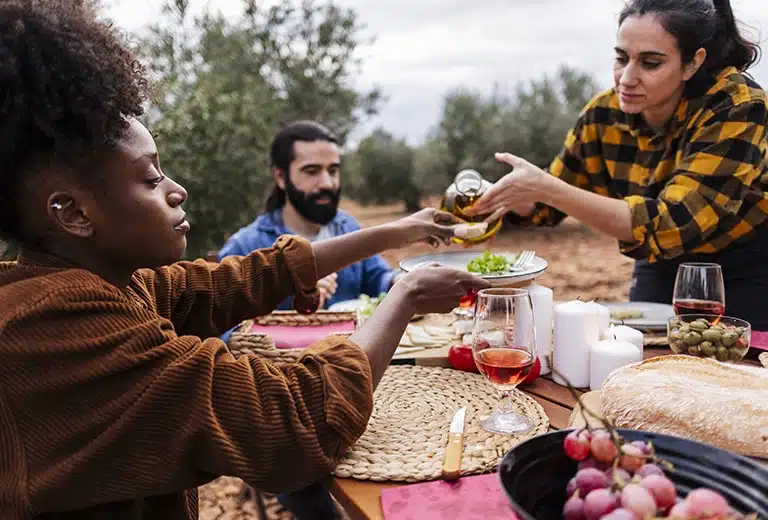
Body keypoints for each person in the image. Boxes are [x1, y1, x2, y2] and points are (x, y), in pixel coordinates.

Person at [0, 3, 490, 519]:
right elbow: (290, 422)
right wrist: (405, 296)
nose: (176, 189)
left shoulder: (95, 283)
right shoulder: (55, 327)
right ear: (73, 212)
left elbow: (233, 282)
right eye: (149, 178)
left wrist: (395, 231)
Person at [467, 0, 768, 330]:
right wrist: (517, 197)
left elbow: (673, 223)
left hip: (747, 266)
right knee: (650, 362)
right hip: (659, 263)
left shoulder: (737, 107)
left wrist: (548, 188)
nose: (626, 78)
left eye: (650, 63)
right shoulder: (604, 114)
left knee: (740, 372)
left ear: (692, 63)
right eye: (621, 58)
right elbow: (550, 201)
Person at [219, 121, 397, 311]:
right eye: (312, 172)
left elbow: (378, 277)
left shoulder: (346, 226)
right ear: (280, 177)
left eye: (333, 171)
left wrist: (399, 281)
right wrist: (293, 297)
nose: (327, 183)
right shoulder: (246, 246)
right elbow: (222, 323)